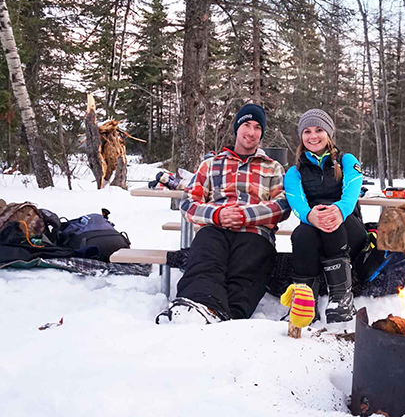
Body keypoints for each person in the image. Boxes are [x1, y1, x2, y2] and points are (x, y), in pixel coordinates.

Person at [156, 104, 291, 324]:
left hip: (255, 232)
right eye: (246, 125)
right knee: (205, 257)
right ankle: (197, 304)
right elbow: (188, 203)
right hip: (215, 228)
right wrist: (218, 214)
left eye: (257, 127)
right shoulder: (211, 164)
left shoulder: (272, 167)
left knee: (247, 269)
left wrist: (247, 215)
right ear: (237, 128)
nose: (251, 132)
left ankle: (229, 317)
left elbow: (283, 205)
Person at [284, 109, 365, 323]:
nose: (313, 136)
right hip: (315, 226)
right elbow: (297, 203)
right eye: (307, 131)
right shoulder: (295, 171)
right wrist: (310, 216)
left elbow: (351, 191)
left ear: (329, 133)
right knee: (301, 234)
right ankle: (304, 303)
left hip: (349, 228)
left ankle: (341, 297)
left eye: (319, 130)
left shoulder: (346, 160)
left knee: (331, 220)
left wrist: (338, 210)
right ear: (301, 136)